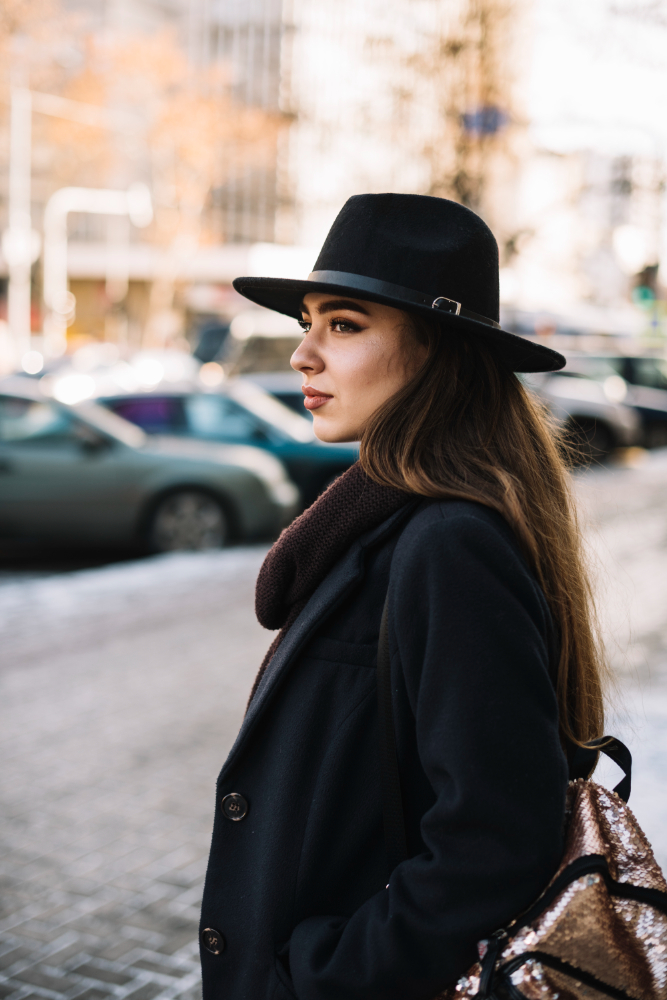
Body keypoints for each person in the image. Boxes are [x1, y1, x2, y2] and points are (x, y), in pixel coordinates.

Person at [198, 194, 606, 1000]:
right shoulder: (382, 522)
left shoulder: (449, 542)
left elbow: (494, 837)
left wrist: (324, 976)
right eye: (307, 322)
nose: (303, 355)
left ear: (437, 354)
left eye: (343, 325)